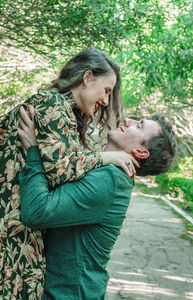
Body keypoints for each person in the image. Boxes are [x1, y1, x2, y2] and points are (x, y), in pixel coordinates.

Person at [0, 48, 138, 299]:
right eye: (106, 90)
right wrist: (107, 157)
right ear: (87, 78)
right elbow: (60, 172)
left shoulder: (63, 111)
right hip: (11, 229)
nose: (106, 102)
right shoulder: (52, 103)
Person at [17, 108, 176, 299]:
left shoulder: (110, 179)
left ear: (141, 151)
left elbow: (36, 211)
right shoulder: (108, 171)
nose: (128, 120)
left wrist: (32, 151)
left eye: (139, 125)